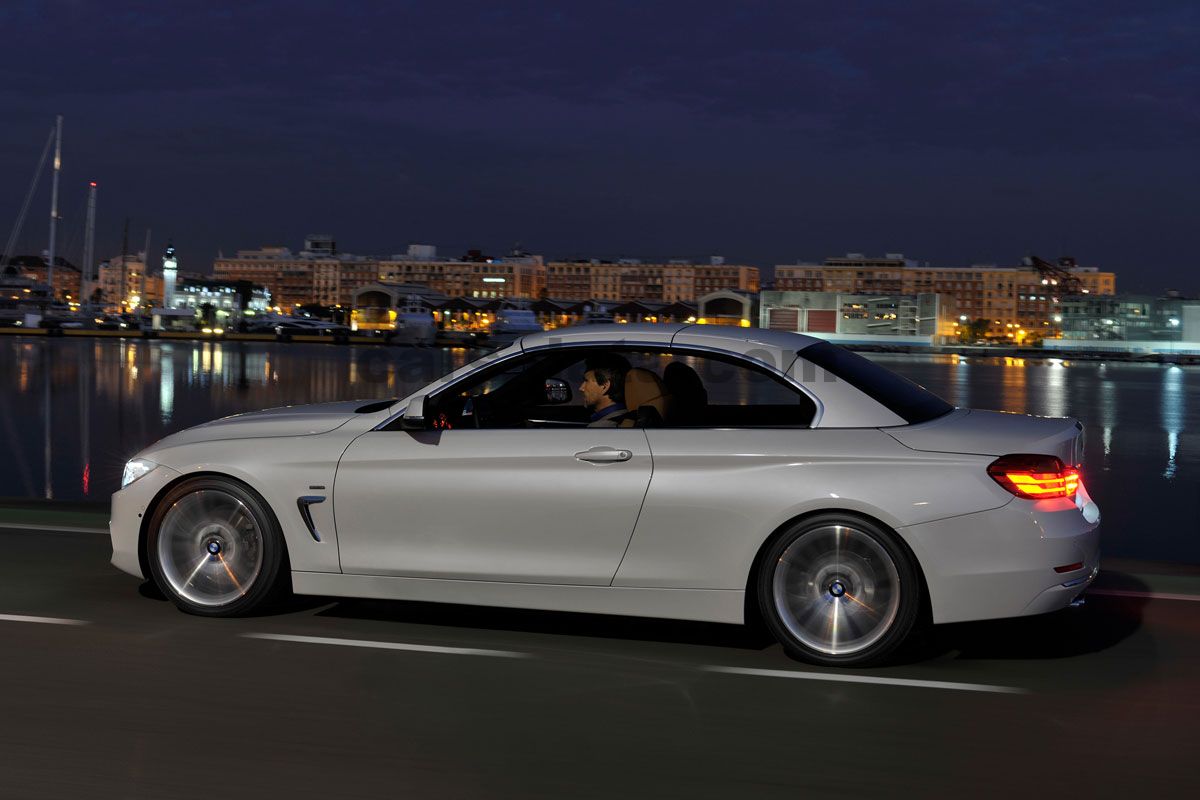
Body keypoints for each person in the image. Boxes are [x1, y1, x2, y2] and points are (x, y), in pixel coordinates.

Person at [580, 354, 630, 427]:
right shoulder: (629, 417)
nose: (581, 388)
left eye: (586, 381)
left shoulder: (600, 427)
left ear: (604, 386)